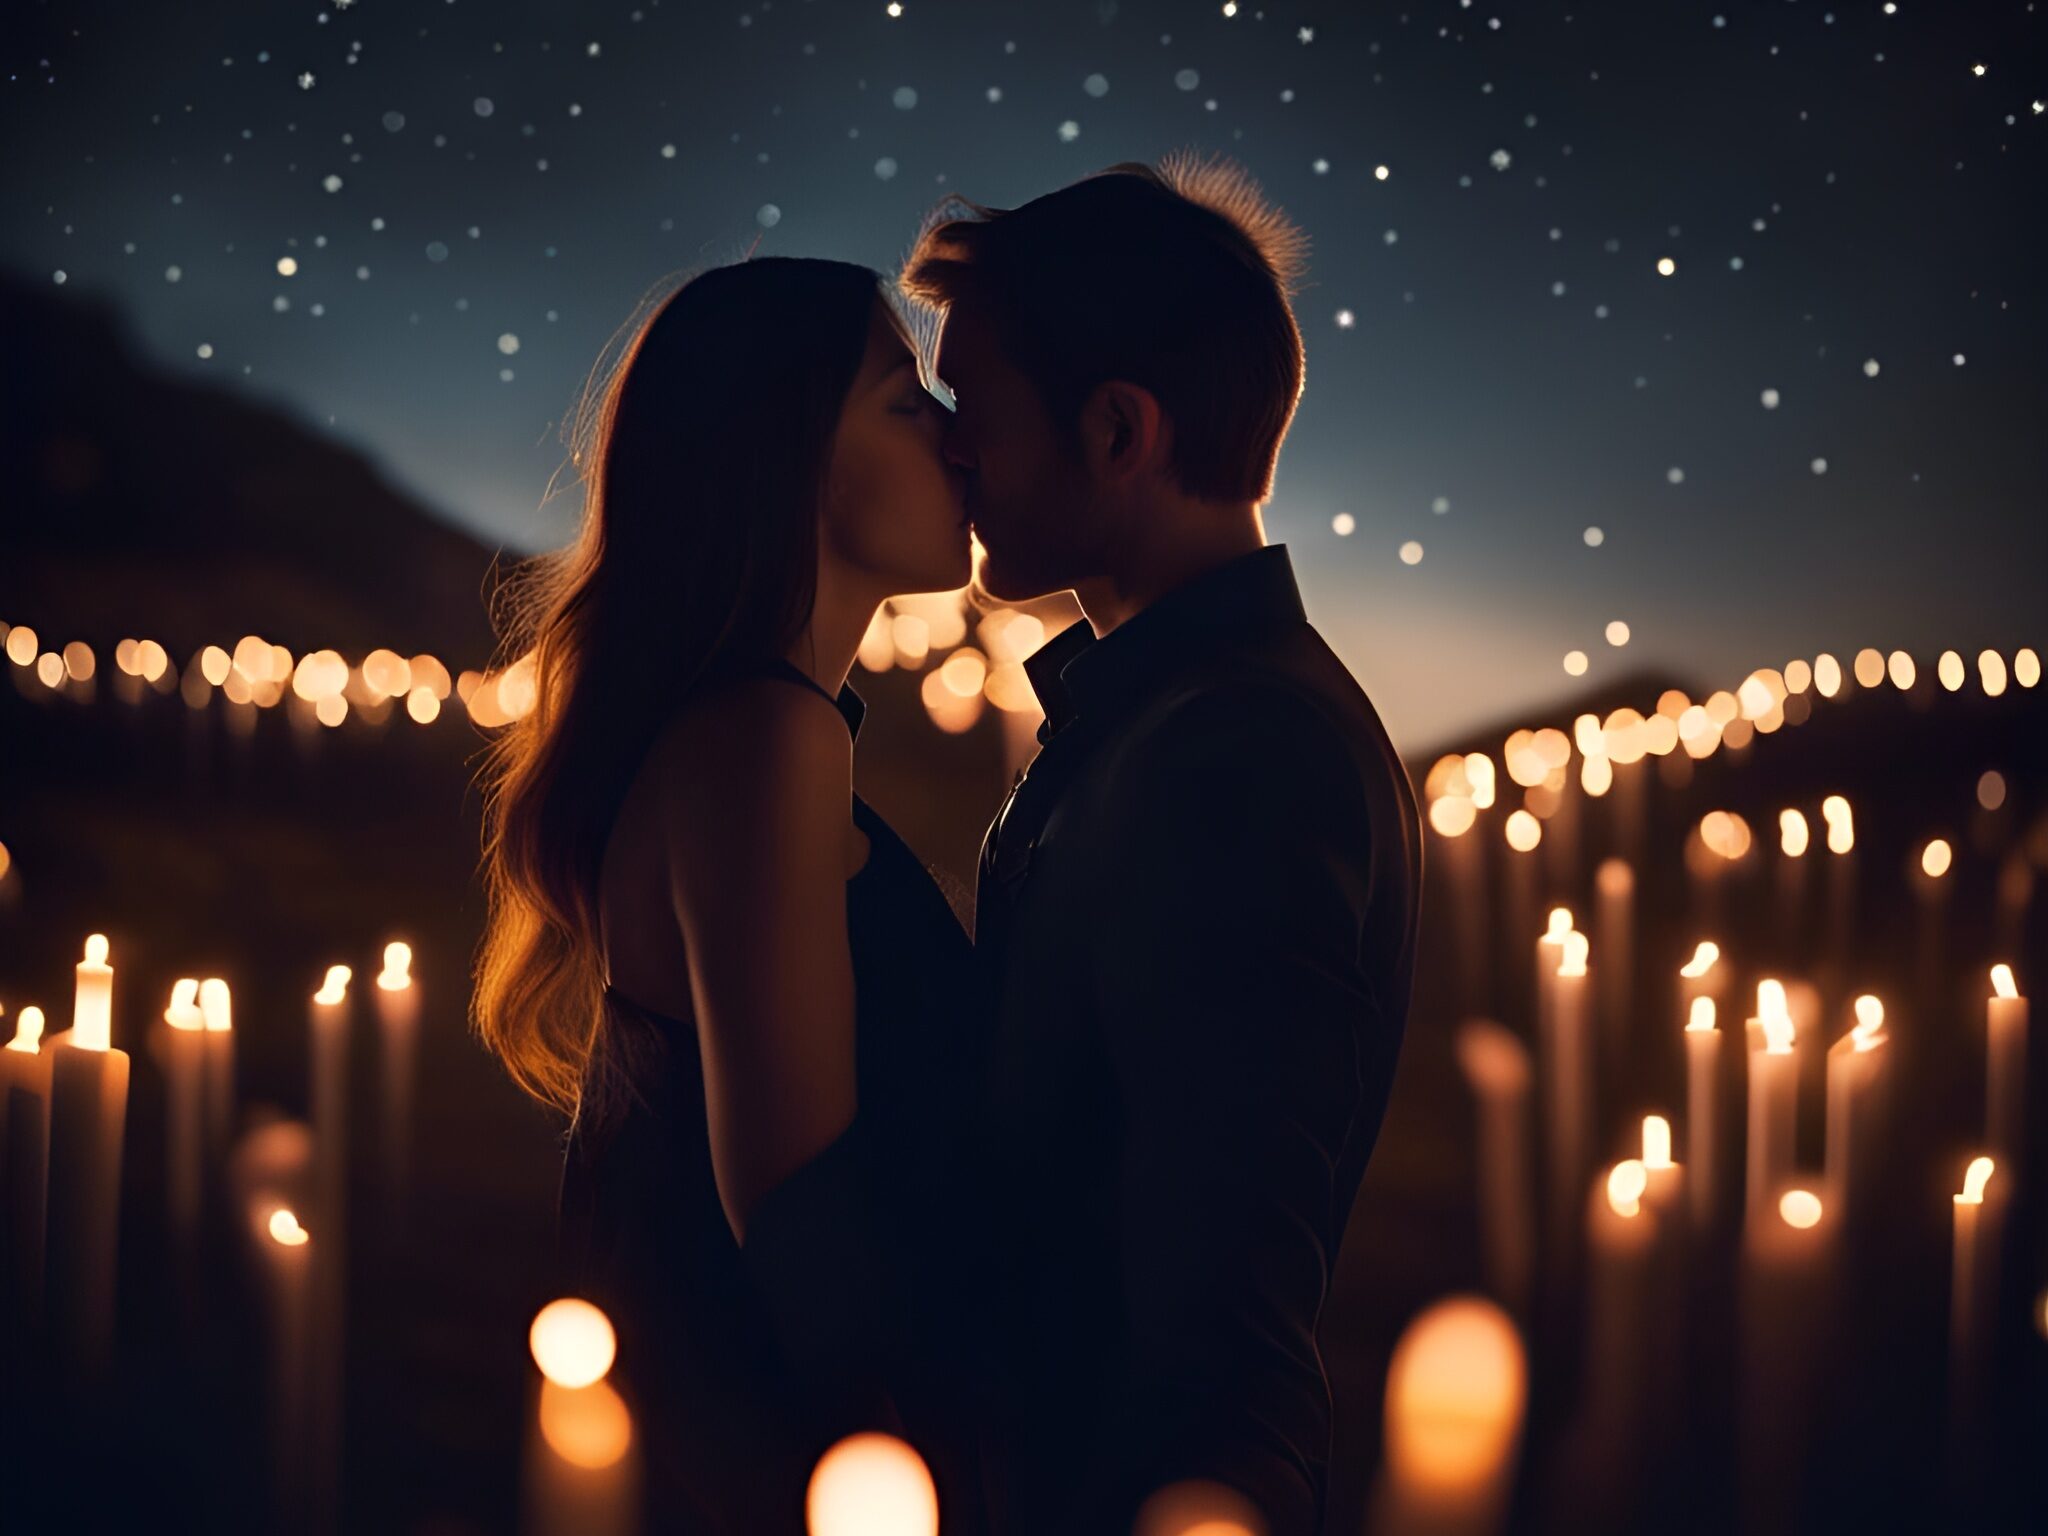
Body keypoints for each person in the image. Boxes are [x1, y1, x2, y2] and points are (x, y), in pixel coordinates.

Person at [900, 153, 1422, 1536]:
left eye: (978, 409)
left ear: (1119, 433)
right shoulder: (1172, 709)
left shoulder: (1242, 755)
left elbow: (1223, 1309)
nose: (947, 447)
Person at [471, 256, 989, 1534]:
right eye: (901, 400)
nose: (955, 437)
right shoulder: (766, 740)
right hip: (797, 1469)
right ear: (787, 457)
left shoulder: (752, 730)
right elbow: (798, 1204)